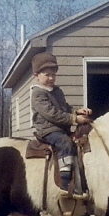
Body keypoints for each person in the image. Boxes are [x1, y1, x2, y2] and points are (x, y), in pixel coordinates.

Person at [31, 52, 92, 193]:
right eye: (47, 75)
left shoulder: (57, 91)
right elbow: (52, 114)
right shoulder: (38, 94)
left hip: (61, 128)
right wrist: (73, 119)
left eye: (53, 74)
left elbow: (65, 108)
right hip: (48, 130)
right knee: (65, 143)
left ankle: (84, 177)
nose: (51, 78)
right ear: (36, 76)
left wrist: (77, 111)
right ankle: (65, 182)